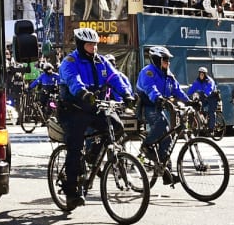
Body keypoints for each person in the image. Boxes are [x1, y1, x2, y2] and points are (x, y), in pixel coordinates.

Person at [57, 26, 132, 209]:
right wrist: (82, 92)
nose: (94, 48)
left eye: (96, 45)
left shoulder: (101, 61)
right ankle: (71, 191)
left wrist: (127, 94)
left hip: (93, 107)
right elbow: (73, 80)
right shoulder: (70, 61)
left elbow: (114, 78)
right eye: (90, 45)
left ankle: (91, 157)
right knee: (75, 146)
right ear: (81, 45)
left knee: (116, 126)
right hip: (72, 109)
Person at [135, 46, 188, 182]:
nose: (168, 62)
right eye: (165, 59)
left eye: (169, 60)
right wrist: (158, 98)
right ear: (157, 59)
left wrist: (190, 102)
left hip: (160, 106)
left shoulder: (168, 74)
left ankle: (166, 172)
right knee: (162, 124)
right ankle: (146, 146)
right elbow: (150, 88)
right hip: (148, 105)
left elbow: (177, 90)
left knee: (167, 137)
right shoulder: (148, 72)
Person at [184, 67, 220, 133]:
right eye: (200, 74)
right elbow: (192, 89)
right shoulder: (197, 81)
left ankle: (211, 129)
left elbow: (210, 89)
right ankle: (203, 120)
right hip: (204, 96)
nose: (201, 75)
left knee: (211, 112)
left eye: (202, 74)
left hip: (212, 97)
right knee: (198, 106)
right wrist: (187, 96)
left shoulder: (210, 81)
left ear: (205, 74)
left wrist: (206, 93)